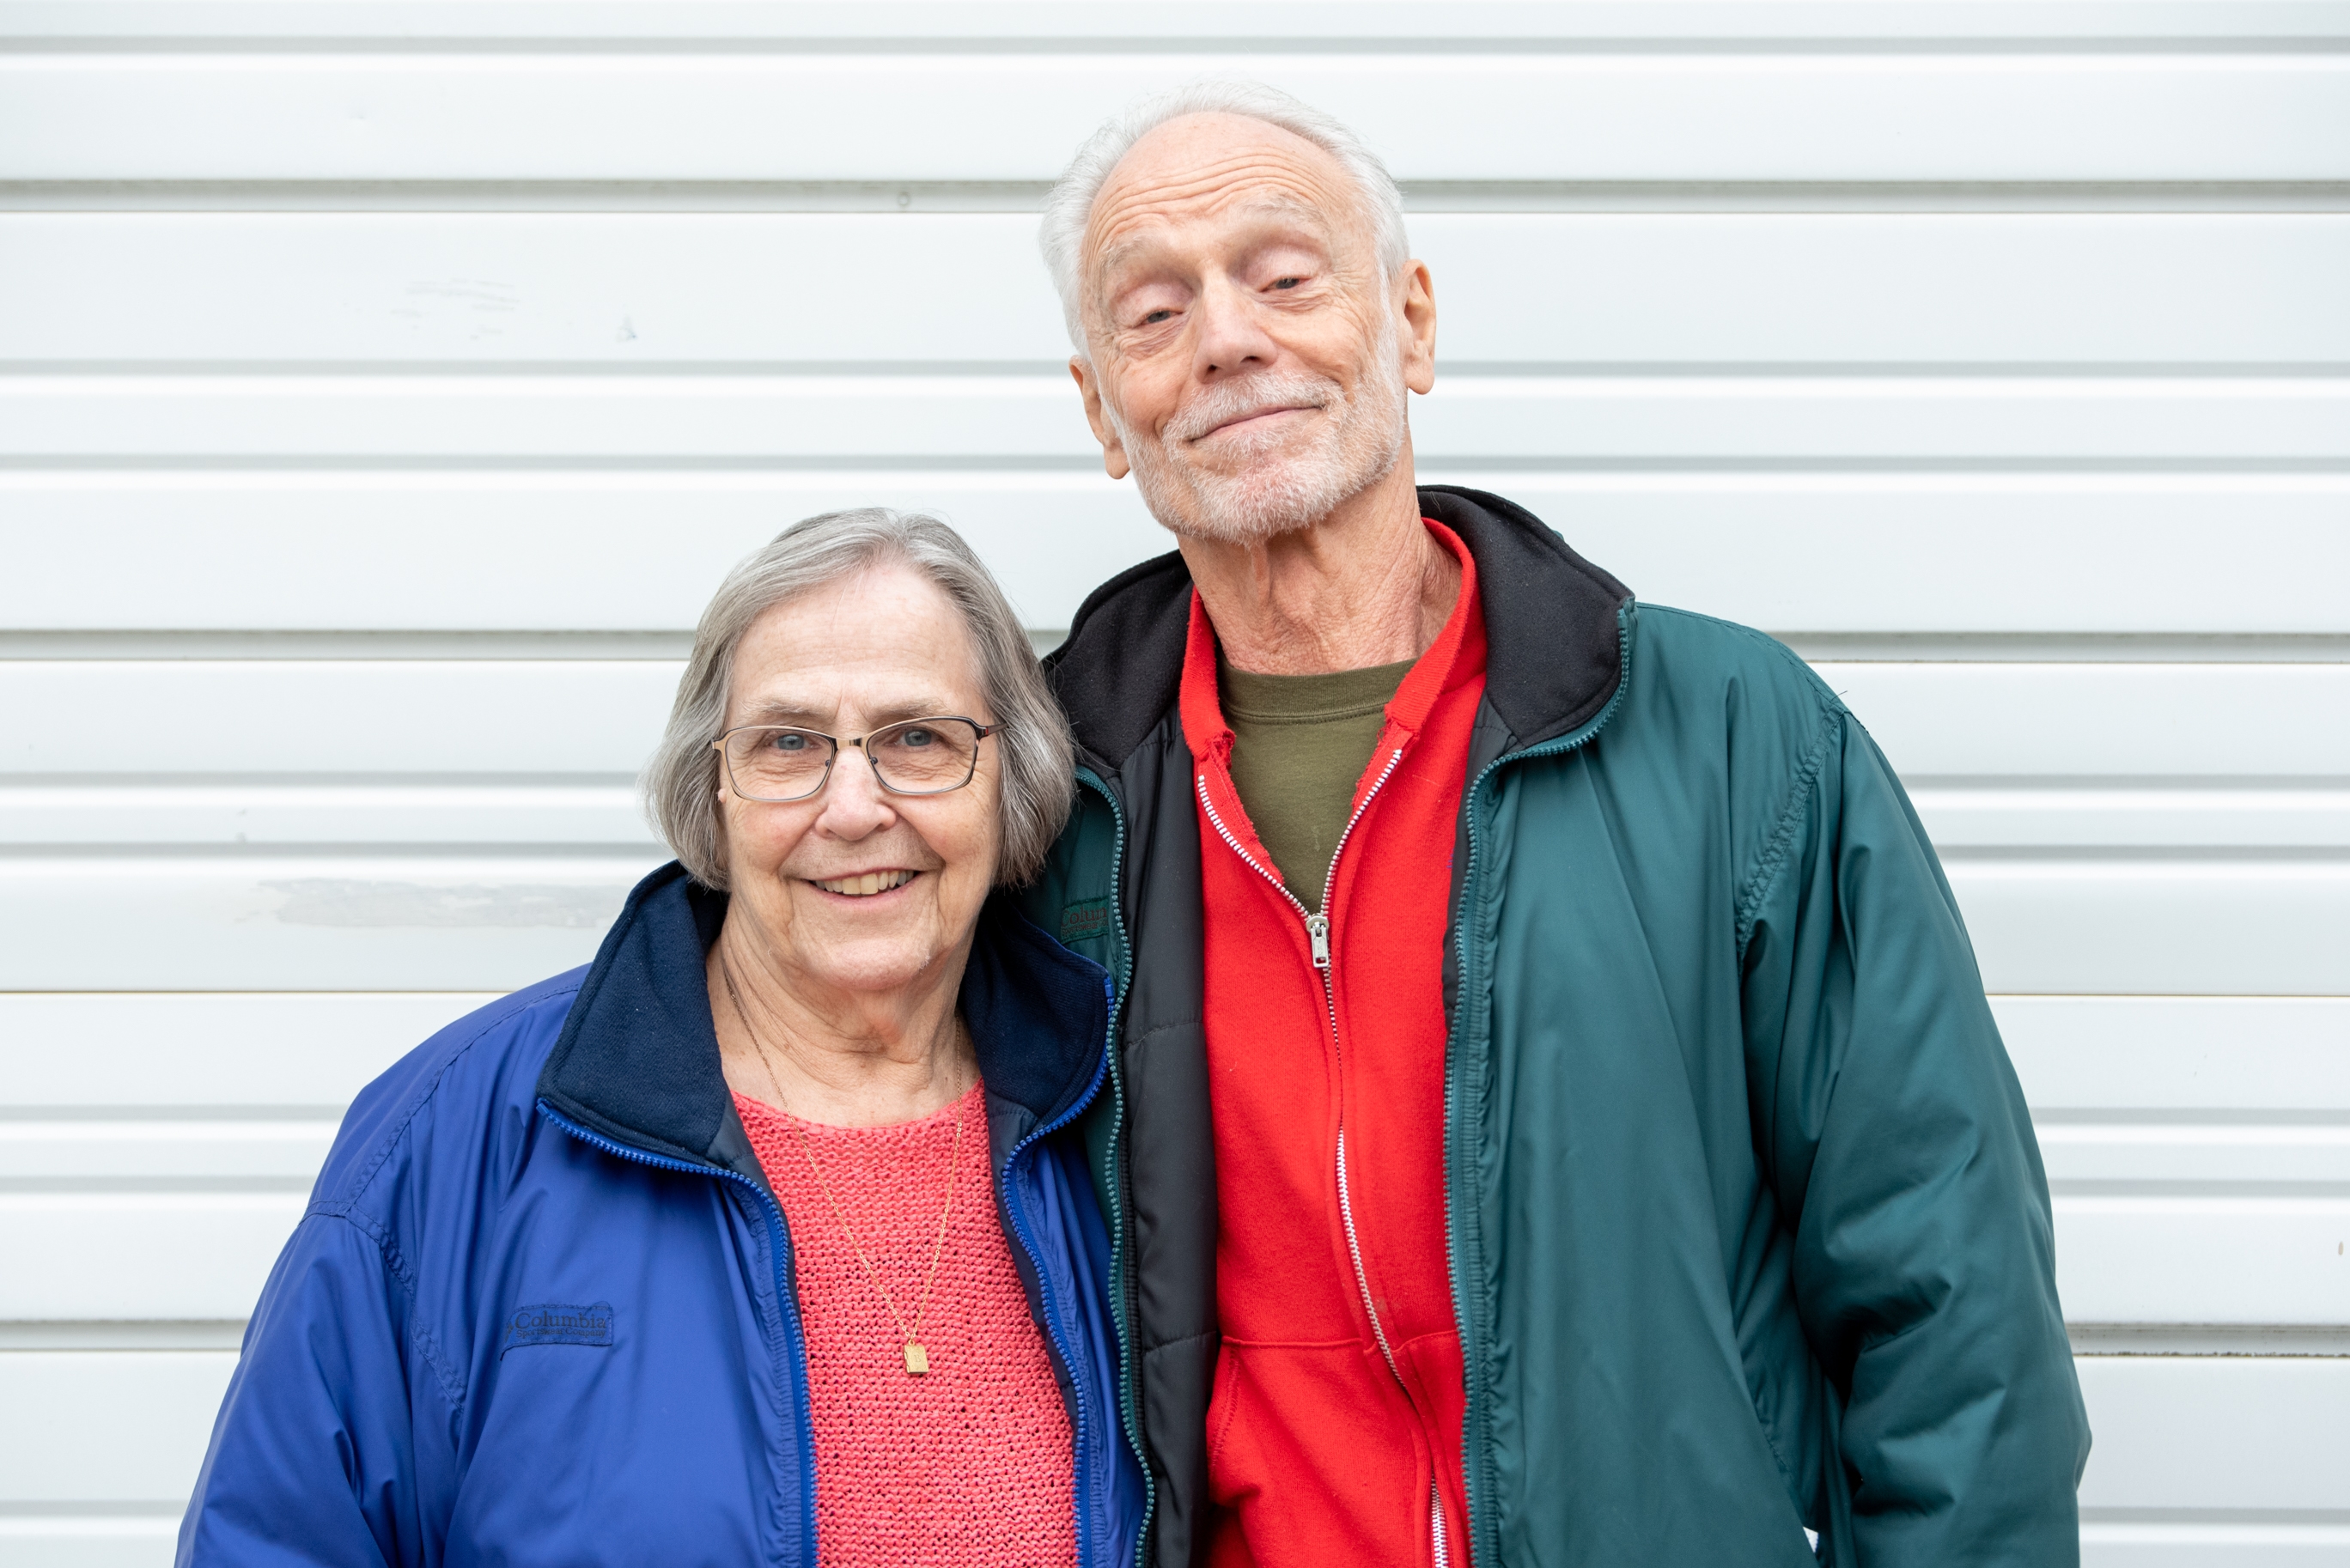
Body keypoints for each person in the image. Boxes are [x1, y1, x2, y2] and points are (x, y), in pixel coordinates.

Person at [1014, 82, 2091, 1566]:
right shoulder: (1038, 804)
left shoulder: (1731, 736)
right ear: (1102, 415)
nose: (1226, 339)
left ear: (1411, 325)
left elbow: (1948, 1294)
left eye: (1283, 277)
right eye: (1151, 311)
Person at [178, 510, 1144, 1567]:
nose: (855, 806)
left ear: (1011, 782)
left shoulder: (1113, 1114)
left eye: (919, 737)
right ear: (712, 788)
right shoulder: (460, 1132)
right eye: (788, 743)